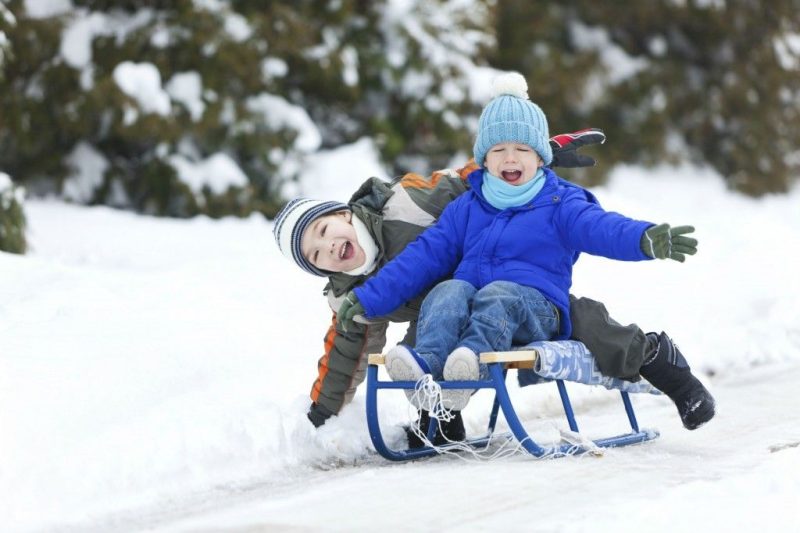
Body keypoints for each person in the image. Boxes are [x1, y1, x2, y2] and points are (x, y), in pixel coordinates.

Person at [333, 73, 714, 426]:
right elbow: (422, 257)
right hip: (472, 311)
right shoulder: (467, 206)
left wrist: (643, 238)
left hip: (534, 308)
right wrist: (369, 297)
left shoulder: (559, 204)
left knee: (509, 297)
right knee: (445, 291)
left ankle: (469, 368)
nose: (510, 158)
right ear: (484, 158)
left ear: (539, 157)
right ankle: (431, 382)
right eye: (498, 149)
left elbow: (601, 228)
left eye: (521, 149)